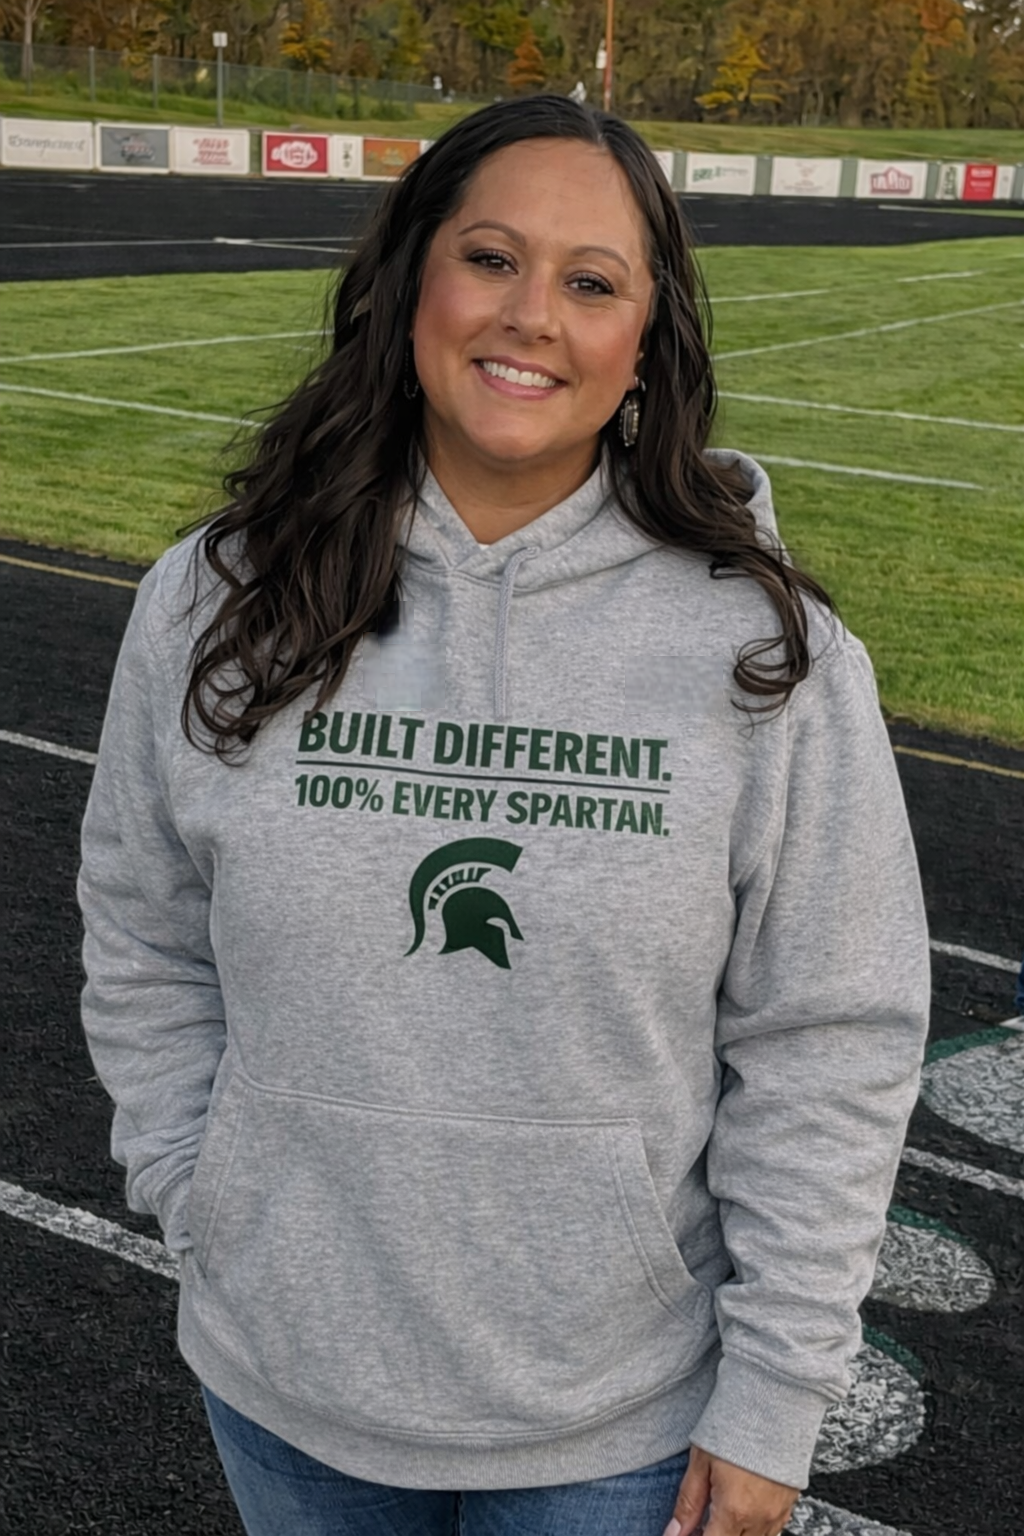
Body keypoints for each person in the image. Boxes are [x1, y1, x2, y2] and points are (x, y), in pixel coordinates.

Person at [78, 97, 931, 1536]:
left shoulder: (762, 650)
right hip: (285, 1391)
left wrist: (781, 1393)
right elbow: (143, 928)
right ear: (415, 278)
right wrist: (205, 1191)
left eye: (592, 282)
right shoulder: (213, 600)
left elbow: (829, 1032)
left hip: (615, 1431)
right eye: (491, 258)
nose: (533, 316)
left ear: (645, 339)